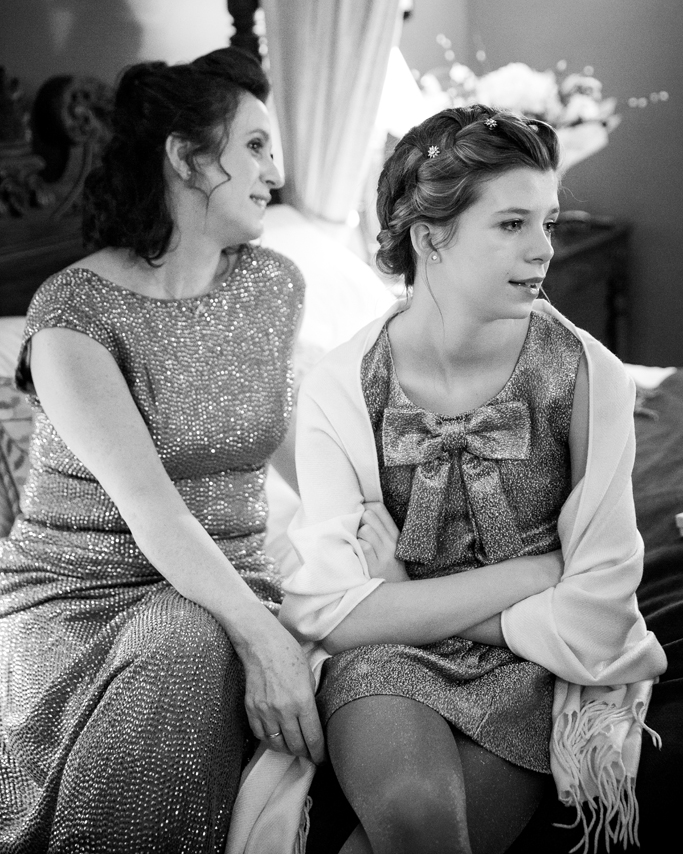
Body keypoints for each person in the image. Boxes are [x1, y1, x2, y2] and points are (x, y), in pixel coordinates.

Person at [280, 106, 667, 854]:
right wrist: (537, 573)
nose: (543, 249)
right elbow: (331, 615)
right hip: (389, 660)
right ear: (430, 238)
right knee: (416, 809)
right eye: (512, 224)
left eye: (546, 223)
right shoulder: (340, 384)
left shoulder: (590, 376)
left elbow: (597, 612)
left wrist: (400, 599)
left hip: (534, 665)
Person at [0, 47, 324, 854]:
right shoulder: (72, 315)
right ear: (185, 156)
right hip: (80, 596)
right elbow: (153, 509)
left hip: (227, 577)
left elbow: (290, 445)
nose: (275, 173)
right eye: (255, 145)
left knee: (196, 632)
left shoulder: (272, 285)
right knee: (189, 640)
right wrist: (265, 640)